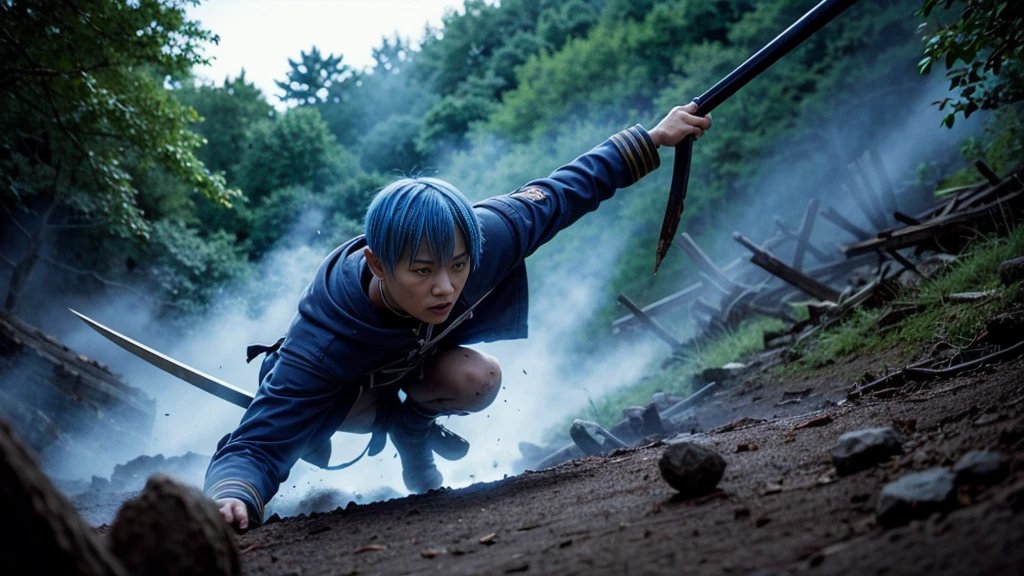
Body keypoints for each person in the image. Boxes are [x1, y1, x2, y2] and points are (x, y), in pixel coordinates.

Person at [205, 103, 712, 530]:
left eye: (457, 266)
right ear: (379, 266)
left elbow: (564, 192)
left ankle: (413, 427)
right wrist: (234, 495)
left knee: (479, 377)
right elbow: (256, 444)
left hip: (419, 366)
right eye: (423, 271)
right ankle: (367, 421)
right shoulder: (321, 340)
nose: (446, 287)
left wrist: (651, 139)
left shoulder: (487, 236)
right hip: (347, 392)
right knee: (310, 417)